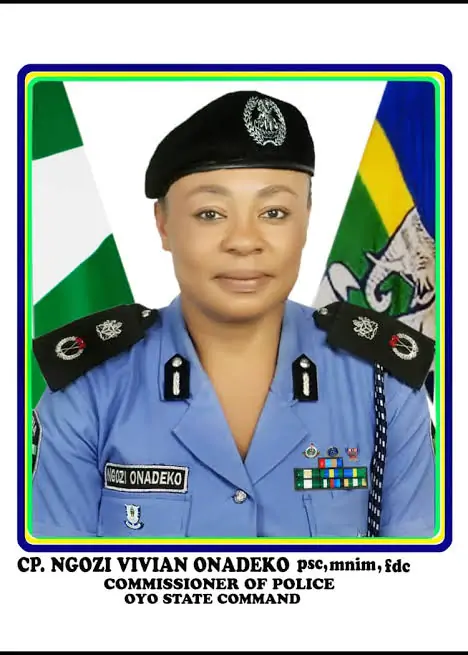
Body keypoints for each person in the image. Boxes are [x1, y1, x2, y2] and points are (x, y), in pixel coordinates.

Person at [32, 90, 435, 538]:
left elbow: (418, 574)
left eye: (274, 212)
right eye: (210, 214)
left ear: (306, 218)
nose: (244, 241)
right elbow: (54, 576)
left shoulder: (381, 384)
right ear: (163, 224)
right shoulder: (91, 391)